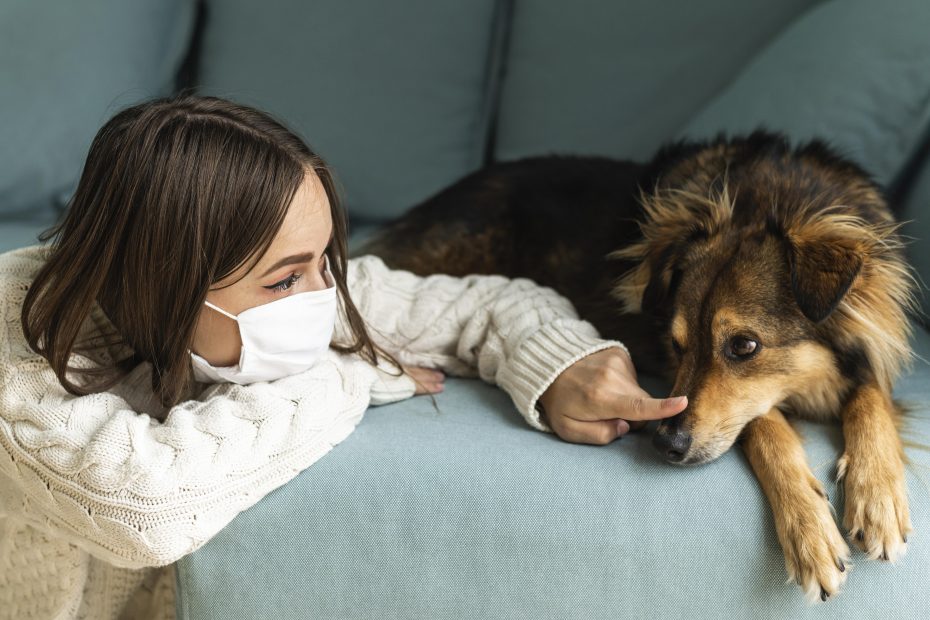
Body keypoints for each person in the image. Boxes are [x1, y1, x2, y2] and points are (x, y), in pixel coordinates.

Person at [0, 95, 687, 620]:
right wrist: (349, 374)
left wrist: (564, 364)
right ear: (167, 281)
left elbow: (483, 305)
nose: (323, 296)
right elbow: (138, 503)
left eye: (324, 260)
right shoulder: (18, 346)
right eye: (284, 279)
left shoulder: (293, 292)